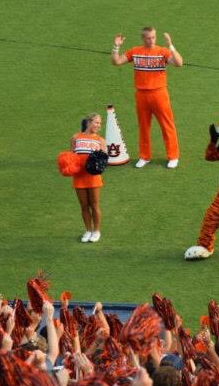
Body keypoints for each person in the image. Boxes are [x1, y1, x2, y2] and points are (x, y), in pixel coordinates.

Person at [111, 27, 183, 169]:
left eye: (153, 37)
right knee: (143, 127)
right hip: (141, 94)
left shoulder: (162, 51)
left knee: (167, 125)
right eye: (149, 38)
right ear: (143, 38)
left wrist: (170, 45)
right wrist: (116, 47)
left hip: (159, 93)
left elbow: (179, 63)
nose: (152, 40)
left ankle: (173, 156)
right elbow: (116, 62)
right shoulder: (135, 51)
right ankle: (144, 156)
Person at [71, 113, 107, 243]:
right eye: (96, 122)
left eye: (100, 123)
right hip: (79, 176)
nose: (98, 125)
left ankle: (96, 231)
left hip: (93, 177)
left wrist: (96, 162)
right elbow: (72, 157)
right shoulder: (76, 137)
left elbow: (104, 161)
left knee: (94, 204)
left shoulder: (100, 140)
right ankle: (88, 230)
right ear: (88, 122)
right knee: (84, 205)